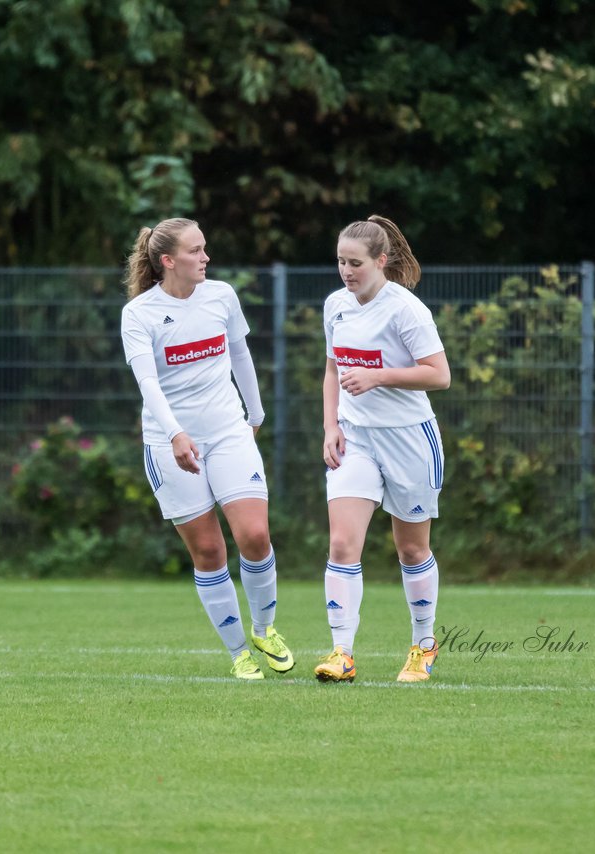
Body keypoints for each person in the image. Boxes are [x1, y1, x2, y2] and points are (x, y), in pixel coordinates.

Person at [120, 217, 294, 680]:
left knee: (255, 536)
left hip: (228, 430)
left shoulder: (221, 296)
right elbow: (148, 383)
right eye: (196, 251)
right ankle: (239, 652)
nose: (206, 258)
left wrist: (254, 416)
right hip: (168, 442)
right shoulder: (139, 314)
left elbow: (240, 355)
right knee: (210, 553)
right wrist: (176, 433)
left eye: (205, 248)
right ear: (168, 261)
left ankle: (265, 629)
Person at [314, 215, 451, 684]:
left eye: (355, 263)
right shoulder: (336, 305)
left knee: (412, 551)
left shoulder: (405, 310)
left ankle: (423, 646)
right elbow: (333, 370)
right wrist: (331, 424)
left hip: (409, 438)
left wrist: (378, 376)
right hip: (357, 439)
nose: (346, 272)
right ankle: (341, 652)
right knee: (341, 543)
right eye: (340, 262)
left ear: (381, 261)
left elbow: (439, 374)